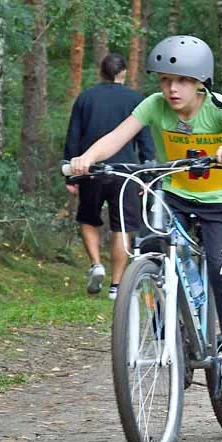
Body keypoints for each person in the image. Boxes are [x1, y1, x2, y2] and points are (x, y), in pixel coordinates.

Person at [68, 35, 222, 400]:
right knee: (150, 251)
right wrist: (87, 157)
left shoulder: (220, 109)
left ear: (200, 83)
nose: (172, 89)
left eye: (182, 81)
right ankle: (172, 340)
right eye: (164, 80)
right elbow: (117, 136)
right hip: (176, 197)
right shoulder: (154, 106)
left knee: (221, 266)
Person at [63, 53, 155, 300]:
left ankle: (96, 264)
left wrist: (70, 175)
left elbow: (74, 136)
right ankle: (116, 285)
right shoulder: (137, 100)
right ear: (123, 73)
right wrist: (147, 175)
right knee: (122, 226)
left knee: (88, 219)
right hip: (125, 173)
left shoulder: (85, 98)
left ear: (101, 72)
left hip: (91, 169)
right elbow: (145, 141)